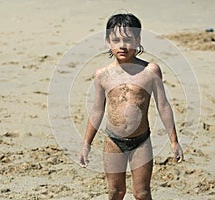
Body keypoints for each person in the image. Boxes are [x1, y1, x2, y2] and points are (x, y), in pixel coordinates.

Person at [79, 13, 184, 200]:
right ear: (107, 42)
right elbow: (97, 110)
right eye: (116, 40)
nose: (122, 45)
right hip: (113, 142)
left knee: (142, 193)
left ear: (138, 40)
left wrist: (174, 141)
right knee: (115, 192)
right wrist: (86, 144)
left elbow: (163, 106)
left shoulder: (150, 71)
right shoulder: (102, 75)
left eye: (128, 39)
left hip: (141, 142)